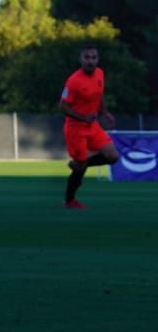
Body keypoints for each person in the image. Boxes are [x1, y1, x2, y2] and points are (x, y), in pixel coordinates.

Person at [59, 45, 118, 209]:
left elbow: (99, 95)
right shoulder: (73, 81)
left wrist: (105, 112)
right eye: (87, 57)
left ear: (97, 59)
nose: (90, 61)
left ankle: (78, 165)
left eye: (93, 58)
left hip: (92, 126)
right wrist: (83, 117)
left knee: (112, 156)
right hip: (76, 129)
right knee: (80, 167)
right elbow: (62, 106)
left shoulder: (100, 73)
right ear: (81, 60)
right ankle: (69, 201)